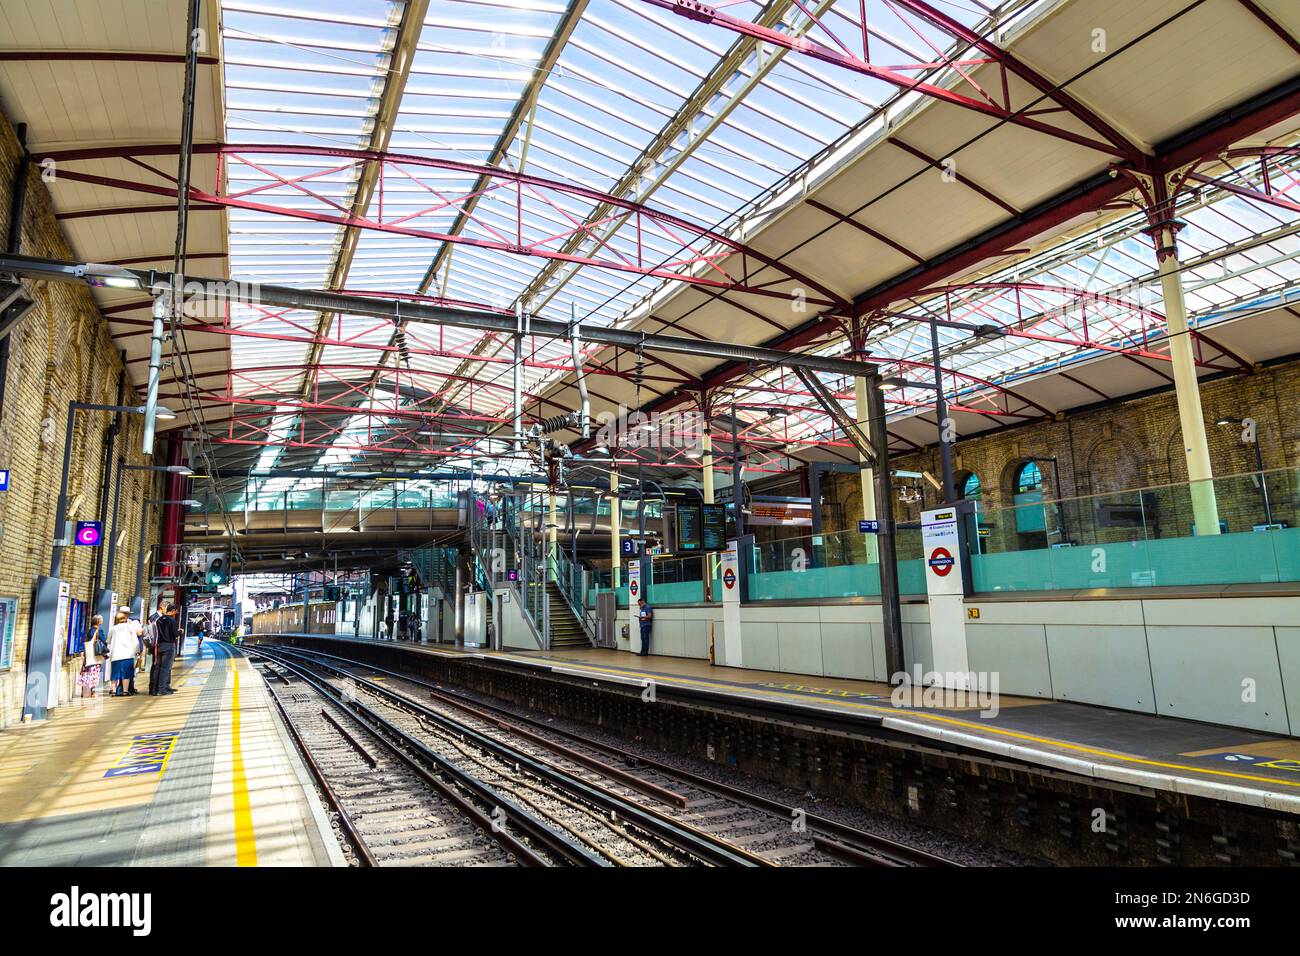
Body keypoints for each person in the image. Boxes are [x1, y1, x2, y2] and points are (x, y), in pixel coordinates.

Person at [106, 610, 139, 698]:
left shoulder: (113, 628)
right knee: (126, 673)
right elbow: (135, 641)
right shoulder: (130, 627)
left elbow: (108, 640)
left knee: (115, 673)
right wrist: (137, 651)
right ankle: (125, 691)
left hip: (116, 654)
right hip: (128, 654)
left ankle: (113, 691)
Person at [149, 602, 179, 696]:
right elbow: (175, 634)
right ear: (173, 611)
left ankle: (155, 689)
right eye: (176, 612)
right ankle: (162, 689)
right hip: (169, 646)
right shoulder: (172, 620)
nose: (175, 613)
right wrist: (180, 632)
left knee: (158, 668)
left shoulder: (159, 620)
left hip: (159, 646)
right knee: (165, 668)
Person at [79, 614, 105, 698]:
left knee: (87, 672)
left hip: (89, 655)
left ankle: (85, 691)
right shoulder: (99, 631)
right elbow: (104, 641)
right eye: (101, 619)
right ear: (98, 621)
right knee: (94, 673)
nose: (102, 620)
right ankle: (92, 691)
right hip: (95, 655)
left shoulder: (90, 630)